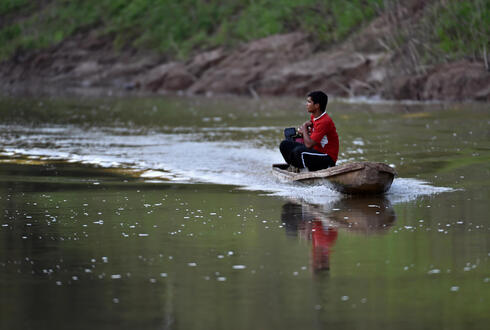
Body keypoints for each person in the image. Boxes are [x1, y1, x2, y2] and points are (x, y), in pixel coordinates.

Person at [279, 91, 339, 171]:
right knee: (284, 144)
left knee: (299, 151)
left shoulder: (324, 121)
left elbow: (309, 145)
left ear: (317, 105)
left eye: (309, 102)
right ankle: (294, 167)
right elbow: (312, 137)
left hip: (327, 158)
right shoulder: (313, 117)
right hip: (315, 152)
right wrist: (304, 132)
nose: (306, 104)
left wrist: (304, 130)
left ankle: (305, 172)